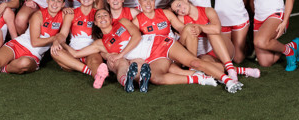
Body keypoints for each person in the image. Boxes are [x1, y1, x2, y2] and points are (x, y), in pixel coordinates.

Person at [63, 9, 243, 93]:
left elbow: (136, 37)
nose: (102, 18)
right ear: (95, 22)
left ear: (110, 17)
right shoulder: (100, 44)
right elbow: (75, 53)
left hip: (158, 43)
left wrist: (119, 55)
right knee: (156, 78)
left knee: (193, 62)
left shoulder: (123, 23)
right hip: (150, 58)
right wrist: (59, 41)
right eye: (99, 17)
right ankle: (201, 79)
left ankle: (227, 81)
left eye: (105, 15)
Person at [170, 0, 260, 80]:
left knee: (211, 31)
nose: (180, 10)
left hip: (222, 49)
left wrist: (200, 28)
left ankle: (229, 67)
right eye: (177, 10)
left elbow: (217, 29)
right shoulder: (181, 19)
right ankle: (238, 70)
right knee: (205, 66)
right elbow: (183, 40)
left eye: (179, 5)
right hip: (204, 55)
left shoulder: (208, 10)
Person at [51, 0, 109, 88]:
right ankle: (88, 70)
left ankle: (98, 77)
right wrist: (56, 41)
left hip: (91, 51)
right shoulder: (71, 13)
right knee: (55, 51)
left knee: (95, 61)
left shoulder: (99, 14)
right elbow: (63, 34)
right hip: (72, 51)